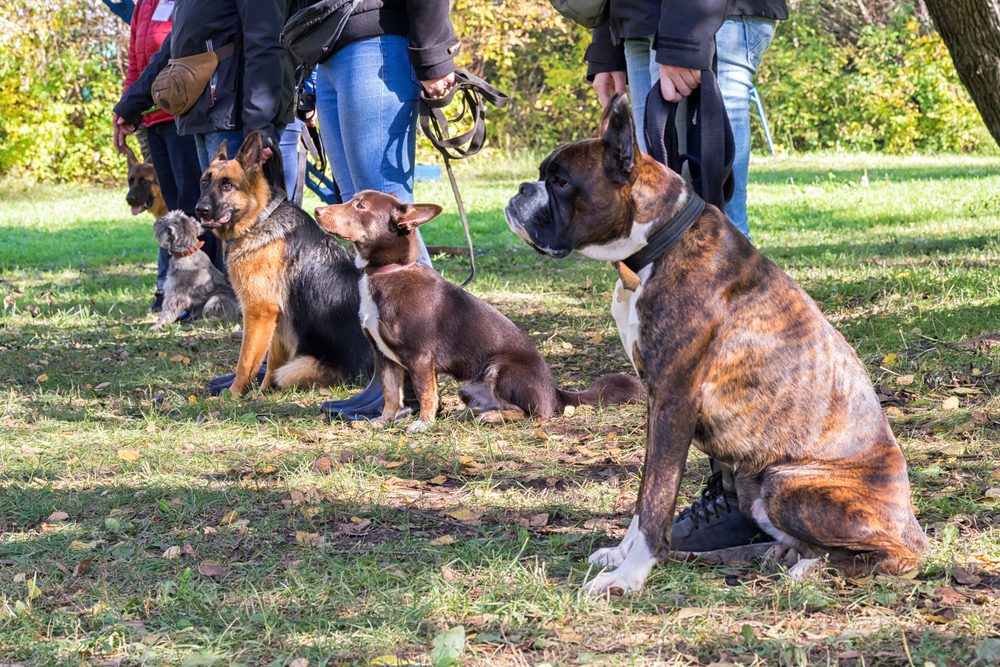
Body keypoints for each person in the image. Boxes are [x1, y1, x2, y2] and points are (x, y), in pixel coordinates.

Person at [585, 0, 787, 553]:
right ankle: (730, 482)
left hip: (700, 20)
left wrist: (685, 38)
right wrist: (609, 44)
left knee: (716, 242)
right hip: (649, 22)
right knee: (670, 243)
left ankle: (747, 485)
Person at [315, 0, 460, 421]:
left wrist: (433, 53)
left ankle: (421, 382)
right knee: (359, 216)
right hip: (327, 48)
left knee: (390, 216)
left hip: (374, 42)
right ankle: (389, 386)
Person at [586, 0, 787, 240]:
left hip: (707, 17)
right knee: (663, 204)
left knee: (717, 227)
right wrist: (607, 46)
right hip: (640, 19)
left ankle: (729, 275)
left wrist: (686, 37)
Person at [112, 0, 299, 196]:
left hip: (237, 118)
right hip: (205, 113)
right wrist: (132, 103)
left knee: (245, 221)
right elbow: (176, 45)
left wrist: (258, 130)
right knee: (215, 220)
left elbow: (265, 45)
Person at [115, 0, 222, 312]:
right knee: (170, 209)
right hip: (151, 122)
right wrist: (127, 109)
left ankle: (203, 293)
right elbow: (137, 66)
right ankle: (173, 289)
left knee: (193, 205)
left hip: (182, 115)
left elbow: (182, 51)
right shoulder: (143, 6)